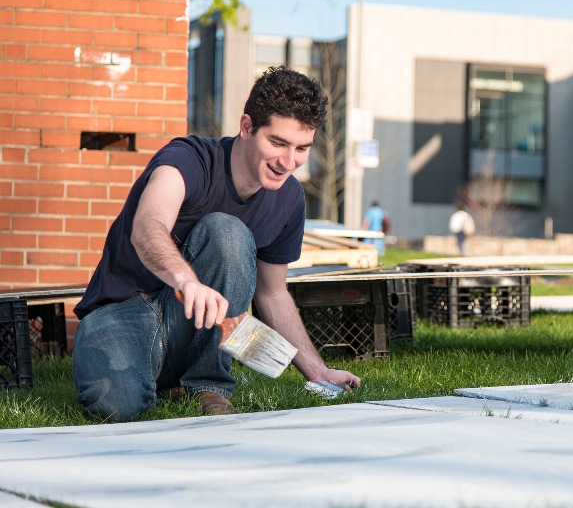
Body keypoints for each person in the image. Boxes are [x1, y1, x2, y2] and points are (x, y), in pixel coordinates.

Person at [72, 66, 360, 423]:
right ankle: (161, 379)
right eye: (278, 143)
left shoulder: (290, 200)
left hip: (194, 326)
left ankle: (208, 385)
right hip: (125, 310)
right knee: (116, 406)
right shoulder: (187, 160)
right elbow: (147, 227)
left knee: (229, 233)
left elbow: (272, 293)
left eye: (302, 148)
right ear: (247, 126)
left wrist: (317, 371)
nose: (289, 162)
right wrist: (187, 280)